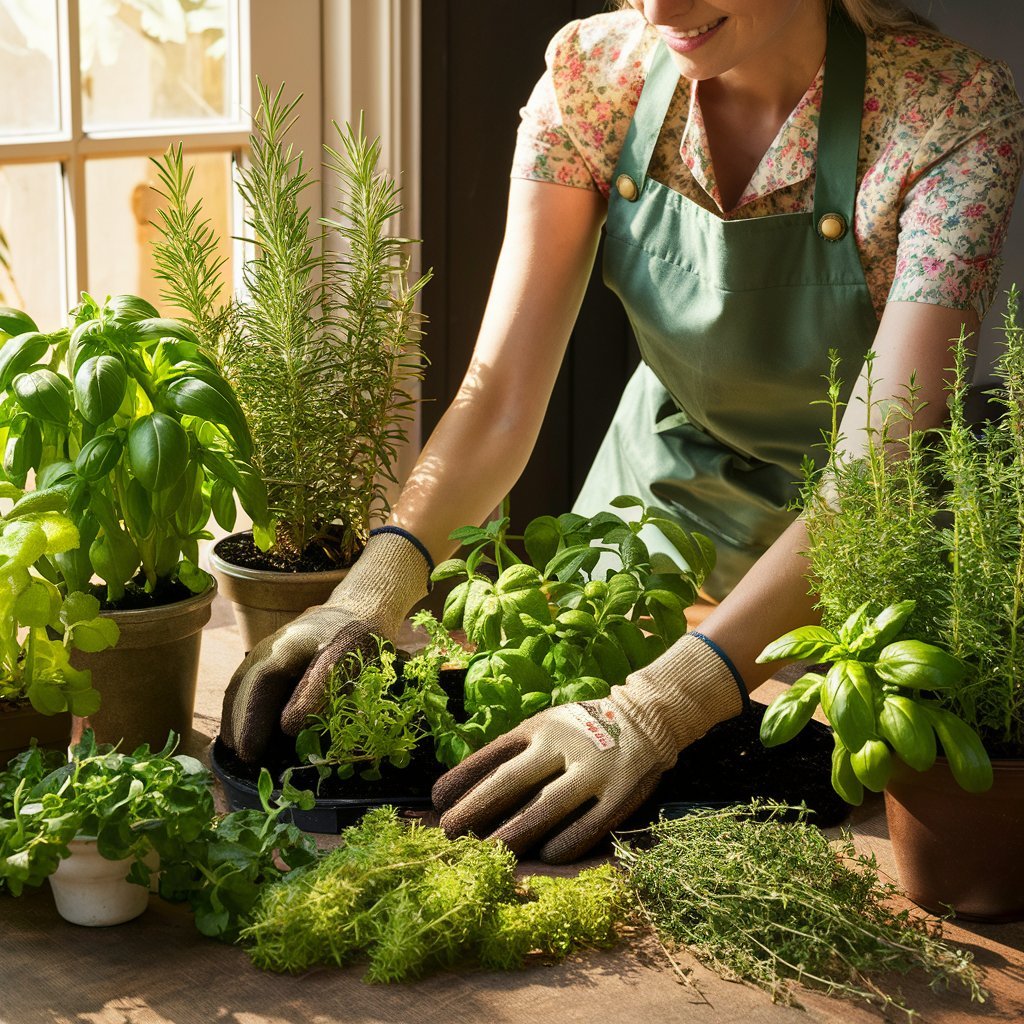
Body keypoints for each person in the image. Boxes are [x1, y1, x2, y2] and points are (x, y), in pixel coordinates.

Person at [221, 0, 1024, 862]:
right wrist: (368, 592)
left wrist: (664, 703)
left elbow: (880, 461)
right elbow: (498, 396)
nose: (660, 8)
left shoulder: (950, 110)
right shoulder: (595, 75)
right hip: (656, 514)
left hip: (867, 549)